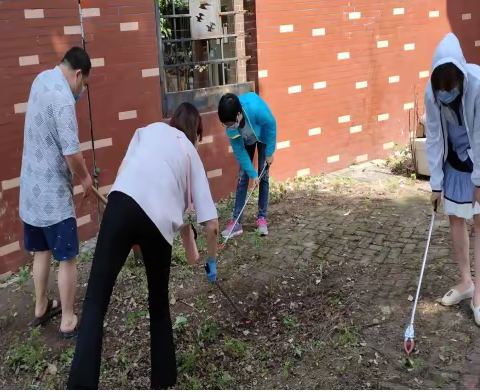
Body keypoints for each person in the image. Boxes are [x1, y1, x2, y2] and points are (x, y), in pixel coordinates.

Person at [67, 103, 219, 389]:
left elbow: (127, 172)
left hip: (120, 202)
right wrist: (211, 261)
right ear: (197, 134)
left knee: (95, 302)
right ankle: (163, 382)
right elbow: (211, 225)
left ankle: (80, 385)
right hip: (158, 224)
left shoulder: (148, 130)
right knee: (159, 306)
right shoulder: (191, 155)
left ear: (172, 121)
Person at [19, 47, 92, 338]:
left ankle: (40, 306)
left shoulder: (40, 79)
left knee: (41, 250)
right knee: (68, 257)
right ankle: (68, 319)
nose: (81, 90)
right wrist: (85, 178)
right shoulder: (63, 99)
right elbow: (71, 153)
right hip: (53, 197)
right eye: (83, 84)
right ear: (77, 74)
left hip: (30, 190)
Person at [425, 32, 480, 326]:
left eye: (451, 89)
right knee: (456, 218)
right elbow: (434, 136)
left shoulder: (478, 85)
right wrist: (435, 183)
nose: (446, 94)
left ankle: (479, 295)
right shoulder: (432, 92)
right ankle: (466, 282)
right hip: (456, 160)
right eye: (441, 90)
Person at [218, 92, 276, 238]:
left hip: (262, 135)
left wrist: (269, 153)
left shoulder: (256, 109)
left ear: (238, 115)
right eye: (225, 124)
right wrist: (252, 174)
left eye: (230, 124)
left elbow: (271, 125)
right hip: (247, 140)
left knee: (264, 176)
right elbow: (240, 152)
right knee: (243, 177)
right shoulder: (230, 126)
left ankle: (262, 218)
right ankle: (236, 222)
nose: (228, 127)